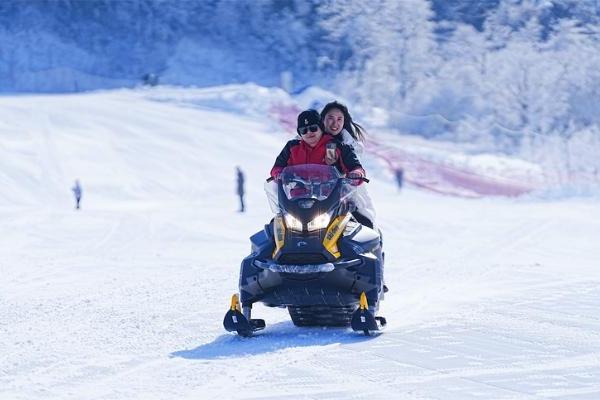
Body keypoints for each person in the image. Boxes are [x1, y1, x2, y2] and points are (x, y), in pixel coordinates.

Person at [320, 101, 376, 229]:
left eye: (339, 119)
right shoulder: (310, 139)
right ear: (322, 119)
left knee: (364, 224)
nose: (335, 123)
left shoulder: (349, 145)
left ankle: (370, 247)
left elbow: (355, 164)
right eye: (330, 118)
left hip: (343, 195)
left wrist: (356, 174)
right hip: (311, 194)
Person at [270, 109, 365, 182]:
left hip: (330, 197)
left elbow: (355, 167)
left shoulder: (335, 145)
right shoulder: (292, 147)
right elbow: (277, 167)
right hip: (297, 198)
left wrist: (356, 173)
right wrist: (278, 174)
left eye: (313, 128)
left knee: (350, 205)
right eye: (304, 130)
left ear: (321, 128)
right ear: (300, 134)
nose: (309, 132)